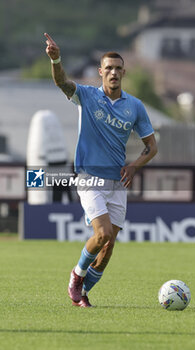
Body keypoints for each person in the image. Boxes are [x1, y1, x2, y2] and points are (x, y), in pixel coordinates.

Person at [44, 33, 157, 308]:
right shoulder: (86, 95)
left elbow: (151, 147)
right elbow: (60, 82)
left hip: (117, 181)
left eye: (118, 68)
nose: (114, 72)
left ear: (124, 72)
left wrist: (134, 166)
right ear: (100, 72)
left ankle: (82, 295)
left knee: (108, 248)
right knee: (103, 233)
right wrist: (56, 58)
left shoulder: (135, 107)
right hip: (88, 176)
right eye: (109, 68)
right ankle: (76, 276)